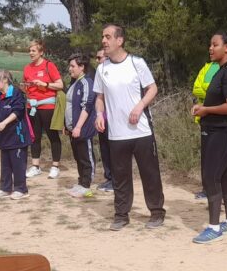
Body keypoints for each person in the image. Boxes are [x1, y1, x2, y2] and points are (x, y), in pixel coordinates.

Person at [94, 24, 165, 231]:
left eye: (108, 37)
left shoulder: (137, 63)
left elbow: (153, 88)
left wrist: (140, 106)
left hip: (141, 131)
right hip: (116, 134)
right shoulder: (102, 69)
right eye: (103, 37)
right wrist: (100, 114)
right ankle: (121, 215)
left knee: (149, 174)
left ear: (119, 40)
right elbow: (99, 97)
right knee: (120, 176)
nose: (104, 41)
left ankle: (157, 212)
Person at [190, 31, 227, 244]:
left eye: (215, 44)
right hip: (221, 129)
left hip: (226, 130)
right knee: (226, 175)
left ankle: (214, 227)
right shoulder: (222, 70)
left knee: (211, 176)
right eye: (210, 44)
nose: (210, 48)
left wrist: (205, 110)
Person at [0, 69, 31, 200]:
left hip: (17, 136)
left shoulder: (16, 94)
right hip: (4, 137)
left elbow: (18, 111)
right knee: (5, 164)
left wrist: (4, 123)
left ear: (5, 79)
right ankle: (5, 188)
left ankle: (21, 189)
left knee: (18, 164)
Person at [23, 40, 64, 179]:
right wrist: (25, 86)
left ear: (41, 52)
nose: (30, 53)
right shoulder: (27, 68)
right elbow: (26, 87)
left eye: (33, 50)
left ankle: (55, 166)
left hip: (47, 106)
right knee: (34, 137)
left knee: (53, 136)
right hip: (31, 106)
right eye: (29, 50)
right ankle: (35, 166)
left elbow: (60, 85)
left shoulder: (49, 65)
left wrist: (44, 84)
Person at [64, 54, 97, 198]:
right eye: (70, 66)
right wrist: (67, 125)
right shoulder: (74, 82)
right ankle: (81, 182)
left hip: (82, 128)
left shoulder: (86, 82)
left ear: (82, 67)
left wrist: (78, 127)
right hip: (73, 129)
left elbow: (87, 106)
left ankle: (87, 185)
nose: (69, 69)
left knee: (86, 157)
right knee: (78, 157)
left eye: (73, 66)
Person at [191, 59, 220, 200]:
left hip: (220, 119)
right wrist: (207, 91)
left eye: (215, 45)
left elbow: (218, 92)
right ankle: (206, 188)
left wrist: (207, 92)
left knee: (220, 156)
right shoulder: (207, 67)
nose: (211, 48)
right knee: (206, 154)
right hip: (204, 118)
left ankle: (224, 191)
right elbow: (196, 88)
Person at [94, 48, 113, 192]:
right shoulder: (99, 75)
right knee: (104, 149)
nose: (96, 60)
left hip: (113, 119)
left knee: (112, 150)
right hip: (102, 118)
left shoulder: (113, 76)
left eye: (99, 57)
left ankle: (115, 180)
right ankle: (109, 178)